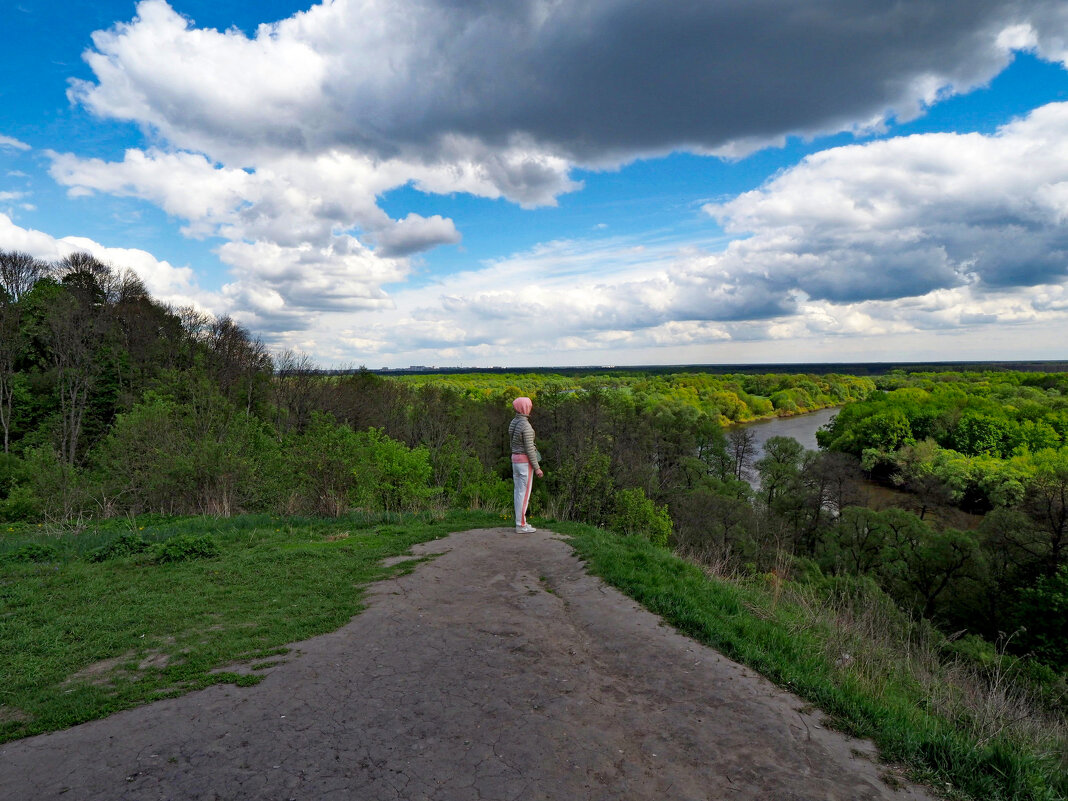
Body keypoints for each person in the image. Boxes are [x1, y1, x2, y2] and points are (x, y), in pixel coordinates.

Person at [509, 396, 543, 533]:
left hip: (515, 460)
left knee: (518, 493)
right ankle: (521, 525)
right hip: (524, 463)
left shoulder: (513, 422)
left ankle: (520, 522)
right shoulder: (526, 426)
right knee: (524, 495)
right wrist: (537, 468)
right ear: (525, 408)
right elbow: (529, 449)